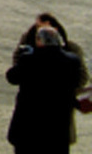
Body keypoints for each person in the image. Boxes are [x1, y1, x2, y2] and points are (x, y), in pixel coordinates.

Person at [16, 13, 89, 147]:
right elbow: (15, 74)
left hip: (53, 121)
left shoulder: (71, 52)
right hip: (35, 122)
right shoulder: (27, 54)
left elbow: (81, 78)